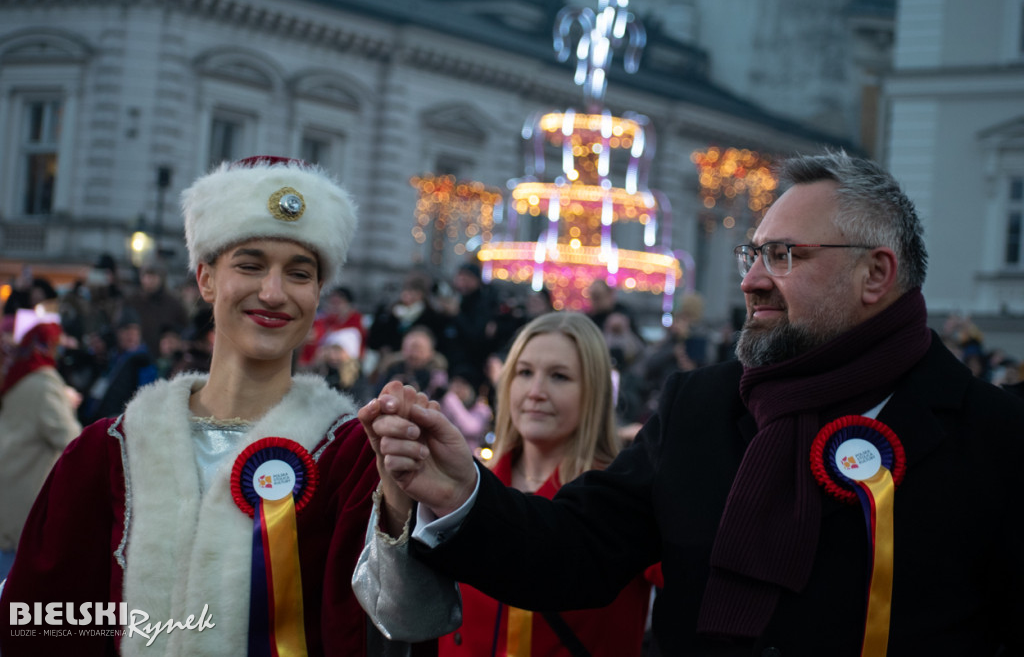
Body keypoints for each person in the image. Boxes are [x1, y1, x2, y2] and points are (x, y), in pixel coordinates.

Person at [360, 150, 1024, 656]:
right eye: (753, 254)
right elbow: (575, 550)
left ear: (875, 273)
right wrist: (462, 491)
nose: (751, 280)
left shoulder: (994, 436)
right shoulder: (702, 405)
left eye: (783, 256)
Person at [0, 156, 403, 656]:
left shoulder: (355, 459)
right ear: (205, 279)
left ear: (318, 292)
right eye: (250, 265)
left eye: (299, 273)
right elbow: (41, 628)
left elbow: (394, 625)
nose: (273, 293)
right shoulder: (105, 453)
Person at [359, 312, 652, 656]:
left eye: (559, 376)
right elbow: (403, 614)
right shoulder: (463, 486)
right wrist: (397, 499)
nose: (536, 392)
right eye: (524, 373)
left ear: (596, 391)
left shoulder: (626, 497)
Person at [0, 315, 81, 579]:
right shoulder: (45, 384)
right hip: (26, 496)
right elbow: (71, 441)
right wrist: (67, 405)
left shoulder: (16, 377)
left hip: (8, 487)